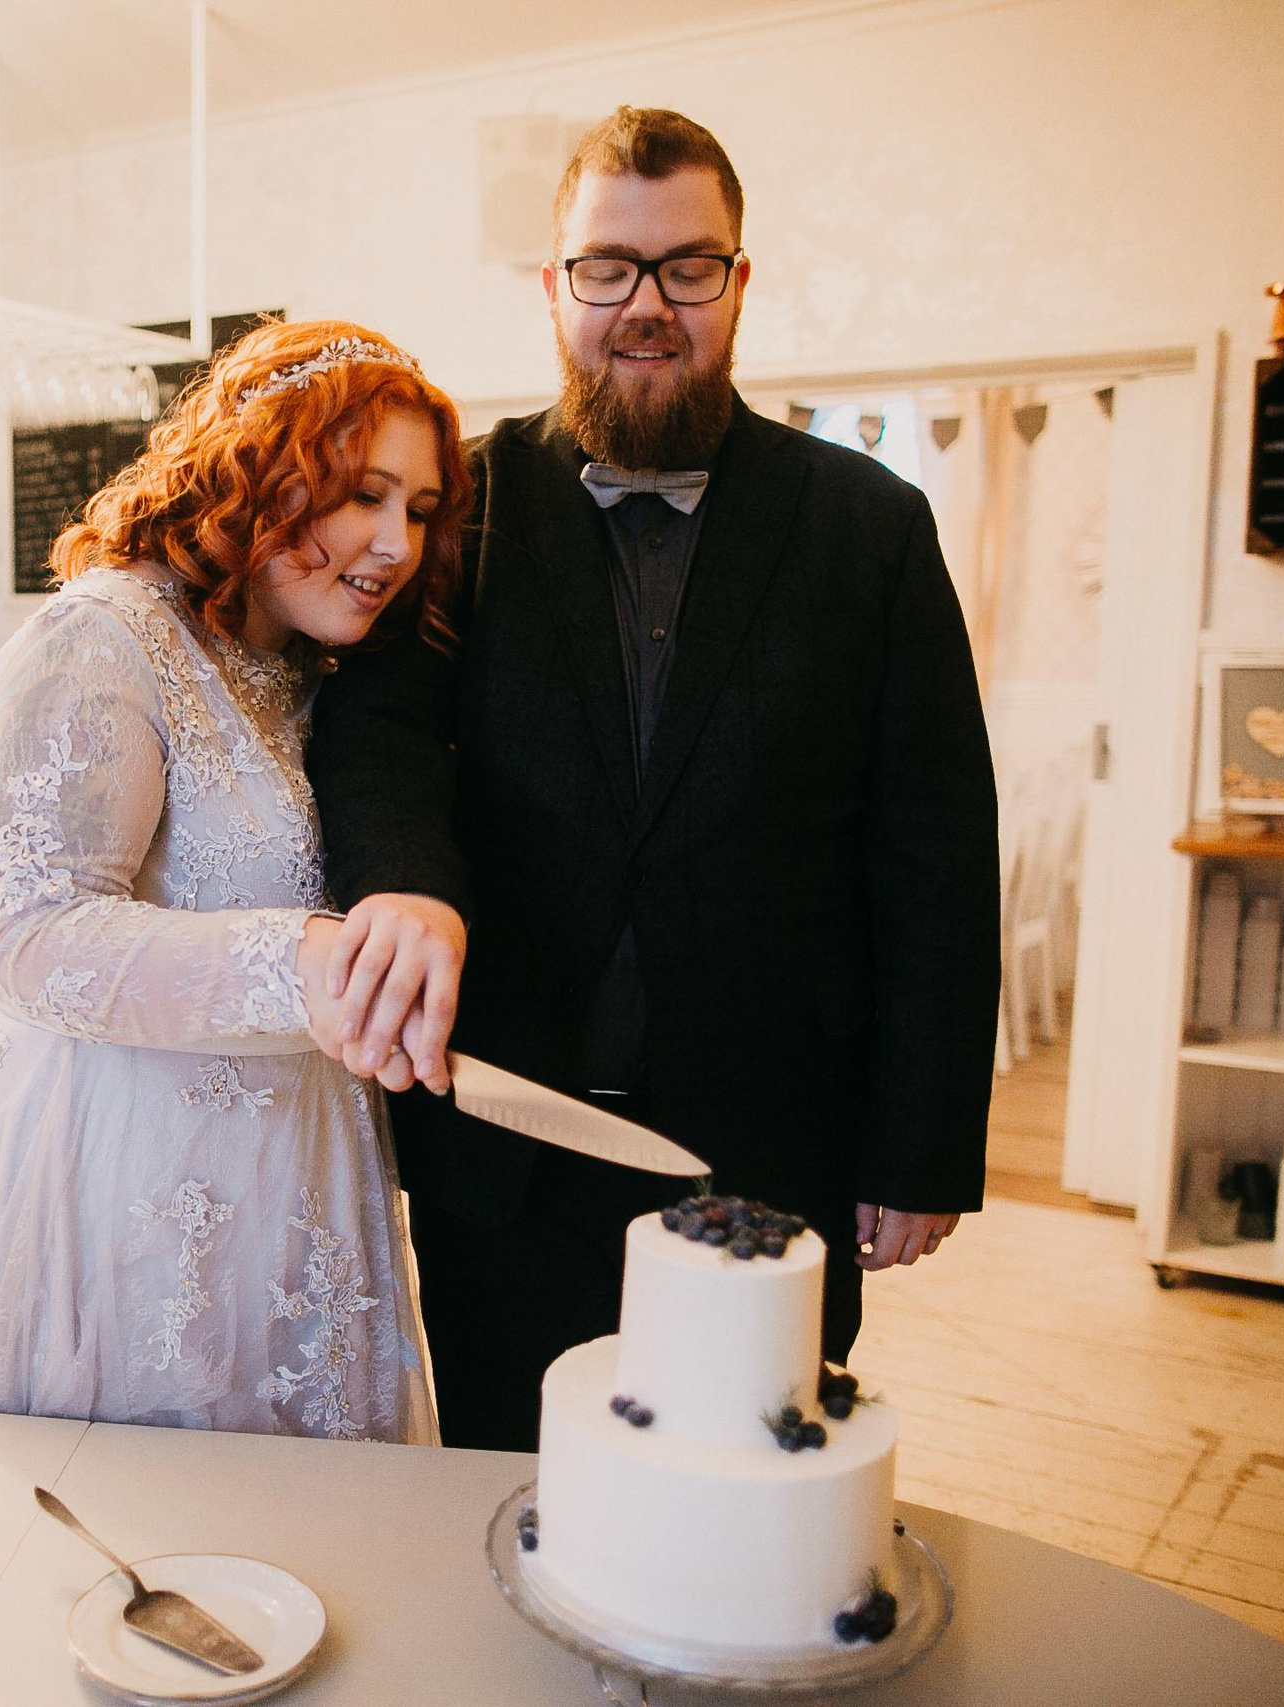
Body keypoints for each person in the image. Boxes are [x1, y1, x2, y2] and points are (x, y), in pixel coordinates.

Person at [307, 107, 1001, 1452]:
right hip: (504, 1140)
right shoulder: (462, 502)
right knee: (511, 1483)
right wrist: (400, 883)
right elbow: (380, 735)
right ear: (553, 288)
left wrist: (920, 1144)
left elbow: (935, 845)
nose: (646, 304)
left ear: (739, 282)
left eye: (687, 266)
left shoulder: (870, 526)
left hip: (772, 1147)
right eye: (607, 268)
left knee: (744, 1493)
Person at [0, 318, 471, 1443]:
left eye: (418, 507)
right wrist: (293, 962)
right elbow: (27, 932)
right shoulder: (100, 637)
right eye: (362, 493)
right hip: (122, 1174)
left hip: (296, 1160)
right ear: (264, 471)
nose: (396, 543)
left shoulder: (311, 666)